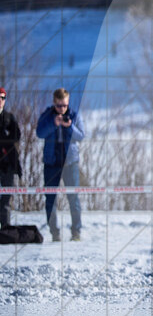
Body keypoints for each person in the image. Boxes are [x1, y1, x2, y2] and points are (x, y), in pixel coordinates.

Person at [36, 88, 85, 241]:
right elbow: (39, 133)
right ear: (54, 103)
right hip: (52, 164)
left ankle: (76, 232)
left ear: (68, 103)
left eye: (64, 105)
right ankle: (54, 233)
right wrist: (53, 123)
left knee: (73, 198)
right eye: (58, 106)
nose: (62, 109)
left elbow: (81, 136)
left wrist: (69, 126)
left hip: (70, 163)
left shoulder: (74, 116)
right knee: (50, 199)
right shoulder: (47, 116)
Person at [0, 87, 22, 228]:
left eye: (3, 97)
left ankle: (5, 227)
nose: (0, 100)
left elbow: (16, 136)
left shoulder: (9, 117)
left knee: (6, 197)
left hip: (7, 164)